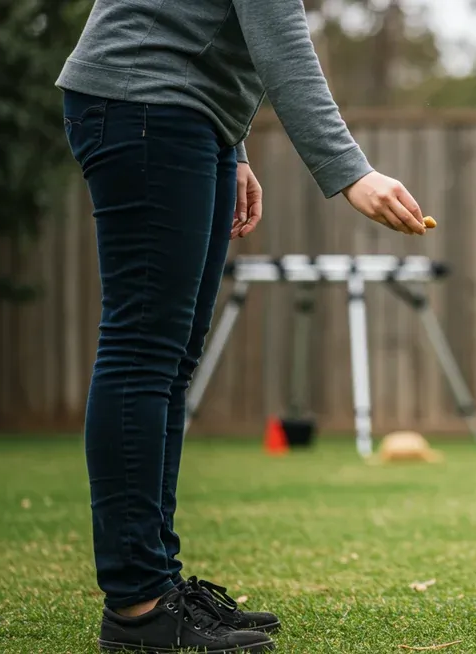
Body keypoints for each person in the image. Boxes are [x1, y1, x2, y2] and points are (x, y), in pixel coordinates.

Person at [56, 2, 427, 651]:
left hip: (181, 112)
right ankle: (138, 604)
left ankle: (157, 581)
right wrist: (351, 172)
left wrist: (234, 144)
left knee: (170, 360)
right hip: (146, 102)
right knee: (144, 352)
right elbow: (277, 36)